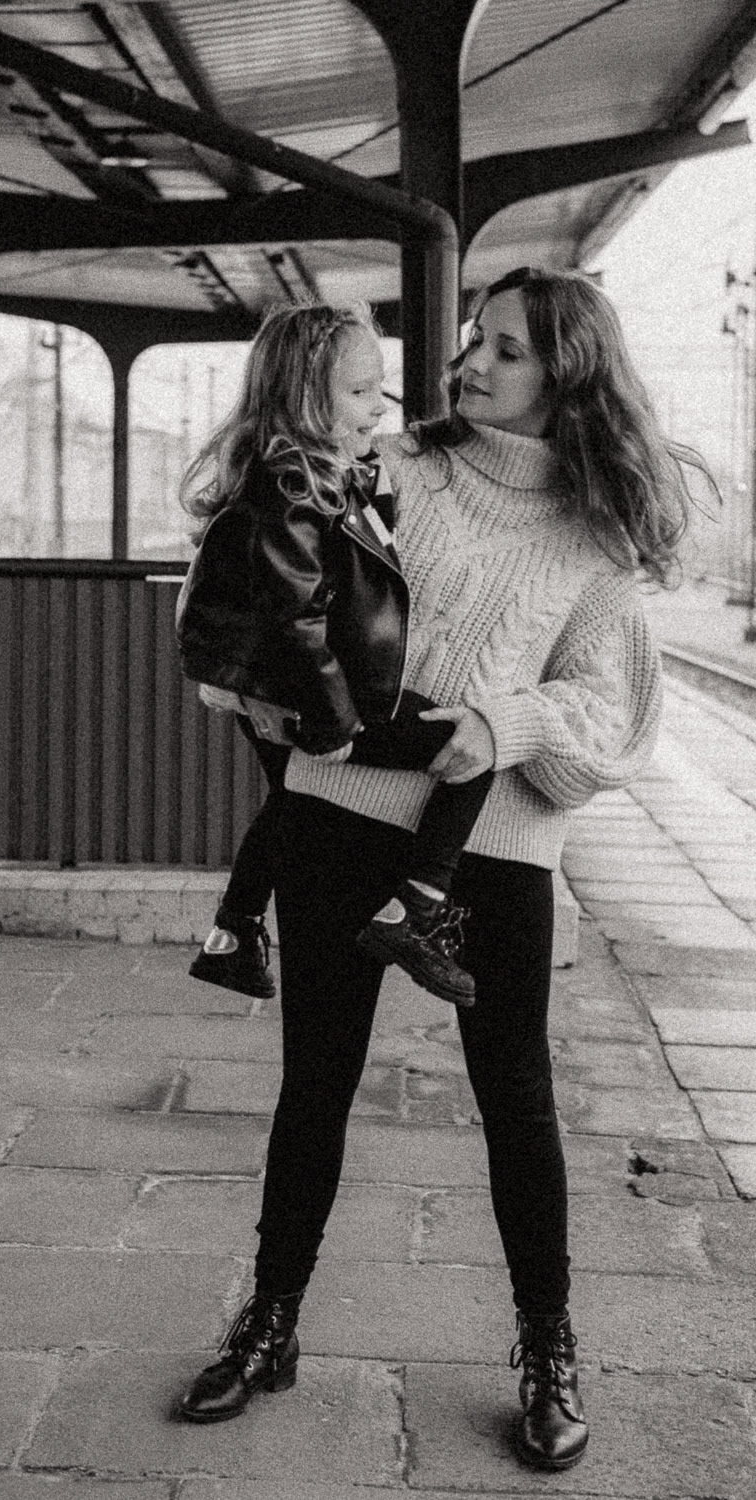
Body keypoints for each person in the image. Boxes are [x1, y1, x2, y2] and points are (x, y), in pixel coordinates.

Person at [178, 267, 710, 1473]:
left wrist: (505, 721)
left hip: (492, 847)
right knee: (314, 1083)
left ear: (566, 373)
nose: (470, 363)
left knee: (516, 1099)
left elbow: (610, 722)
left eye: (506, 350)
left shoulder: (594, 538)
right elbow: (269, 556)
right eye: (474, 338)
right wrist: (256, 676)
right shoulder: (396, 464)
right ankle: (269, 1323)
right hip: (335, 817)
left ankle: (548, 1348)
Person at [176, 301, 495, 1007]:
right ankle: (416, 909)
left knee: (290, 801)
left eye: (379, 388)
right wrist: (332, 722)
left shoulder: (317, 474)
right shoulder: (291, 487)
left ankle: (232, 935)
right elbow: (295, 615)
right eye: (358, 391)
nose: (379, 407)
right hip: (303, 689)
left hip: (291, 685)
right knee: (471, 749)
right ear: (302, 397)